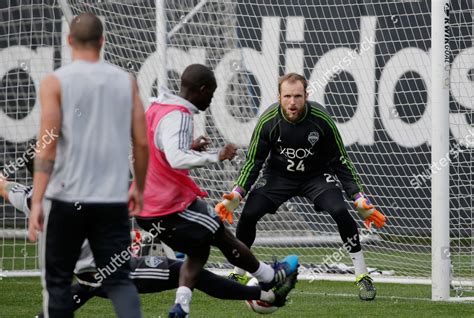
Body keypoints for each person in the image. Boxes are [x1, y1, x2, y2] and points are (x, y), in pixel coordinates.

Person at [0, 172, 296, 317]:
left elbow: (6, 188)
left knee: (82, 290)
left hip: (92, 273)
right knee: (189, 270)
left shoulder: (35, 199)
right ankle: (262, 295)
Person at [132, 64, 298, 317]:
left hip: (146, 207)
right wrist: (215, 155)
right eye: (211, 94)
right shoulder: (179, 114)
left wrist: (189, 146)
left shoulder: (157, 107)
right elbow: (176, 159)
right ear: (202, 89)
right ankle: (269, 276)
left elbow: (159, 147)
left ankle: (181, 306)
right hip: (167, 205)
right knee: (220, 233)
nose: (211, 101)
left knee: (199, 249)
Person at [215, 73, 386, 301]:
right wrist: (237, 192)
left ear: (306, 96)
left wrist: (358, 197)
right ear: (279, 97)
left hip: (316, 177)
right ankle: (239, 273)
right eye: (287, 96)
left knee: (340, 211)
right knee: (249, 214)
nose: (292, 102)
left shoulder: (321, 119)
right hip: (278, 177)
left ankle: (362, 274)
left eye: (297, 96)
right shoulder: (268, 121)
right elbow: (254, 161)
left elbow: (340, 160)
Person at [27, 12, 149, 317]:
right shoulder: (126, 81)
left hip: (67, 199)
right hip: (111, 200)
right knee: (120, 280)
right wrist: (140, 188)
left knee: (57, 283)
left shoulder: (55, 81)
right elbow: (142, 143)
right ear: (102, 41)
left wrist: (38, 199)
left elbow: (48, 145)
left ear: (69, 41)